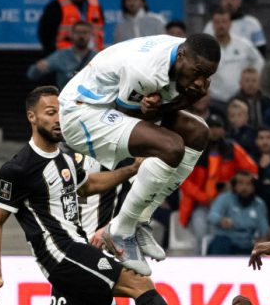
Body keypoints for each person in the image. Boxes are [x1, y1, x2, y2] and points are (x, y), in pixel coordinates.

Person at [0, 86, 209, 305]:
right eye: (50, 112)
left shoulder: (64, 158)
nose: (59, 119)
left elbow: (87, 186)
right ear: (31, 117)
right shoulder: (17, 168)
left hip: (78, 251)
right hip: (63, 254)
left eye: (61, 111)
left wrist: (130, 170)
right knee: (138, 283)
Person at [58, 33, 220, 274]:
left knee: (198, 133)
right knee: (171, 146)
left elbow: (150, 110)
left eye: (207, 76)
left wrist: (181, 97)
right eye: (197, 72)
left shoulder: (183, 55)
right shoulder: (147, 71)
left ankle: (140, 220)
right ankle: (120, 232)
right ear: (183, 55)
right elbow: (134, 115)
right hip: (82, 113)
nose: (200, 81)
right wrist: (188, 99)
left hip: (110, 105)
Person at [179, 114, 259, 253]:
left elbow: (251, 169)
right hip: (200, 204)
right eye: (211, 127)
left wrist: (234, 183)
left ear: (223, 130)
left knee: (220, 235)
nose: (214, 131)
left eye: (218, 127)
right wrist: (204, 198)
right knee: (201, 231)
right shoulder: (194, 149)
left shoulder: (231, 148)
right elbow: (183, 180)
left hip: (227, 203)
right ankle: (199, 263)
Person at [37, 0, 104, 55]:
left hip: (93, 56)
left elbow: (100, 30)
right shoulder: (56, 6)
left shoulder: (95, 4)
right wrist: (52, 57)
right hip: (65, 58)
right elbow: (45, 34)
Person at [209, 7, 265, 106]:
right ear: (212, 25)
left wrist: (252, 79)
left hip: (241, 99)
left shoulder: (243, 44)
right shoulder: (204, 48)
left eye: (224, 22)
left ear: (230, 24)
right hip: (215, 99)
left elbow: (259, 61)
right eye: (217, 22)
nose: (221, 25)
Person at [207, 170, 269, 255]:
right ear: (234, 186)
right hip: (225, 239)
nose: (244, 188)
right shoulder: (225, 198)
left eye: (248, 184)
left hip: (247, 243)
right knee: (220, 243)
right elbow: (212, 215)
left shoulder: (259, 204)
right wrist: (221, 220)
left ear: (254, 187)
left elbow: (264, 229)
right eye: (240, 183)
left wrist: (263, 240)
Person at [27, 21, 97, 90]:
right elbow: (31, 75)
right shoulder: (61, 55)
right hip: (66, 99)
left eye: (85, 32)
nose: (81, 36)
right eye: (78, 32)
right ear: (71, 34)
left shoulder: (97, 57)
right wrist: (38, 68)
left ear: (91, 35)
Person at [203, 0, 267, 55]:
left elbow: (261, 52)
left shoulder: (252, 24)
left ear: (239, 1)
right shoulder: (210, 26)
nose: (229, 2)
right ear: (221, 1)